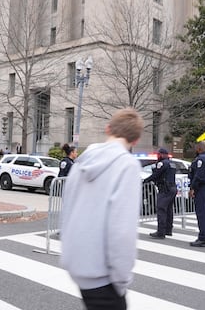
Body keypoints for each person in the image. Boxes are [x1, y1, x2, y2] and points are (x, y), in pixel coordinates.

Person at [61, 108, 144, 310]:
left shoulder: (82, 161)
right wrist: (123, 278)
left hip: (79, 264)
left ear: (108, 129)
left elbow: (68, 208)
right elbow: (122, 230)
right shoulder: (127, 166)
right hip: (103, 273)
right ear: (135, 140)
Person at [143, 148, 177, 239]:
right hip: (172, 188)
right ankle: (168, 230)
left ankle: (161, 232)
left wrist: (145, 181)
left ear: (162, 154)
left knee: (161, 209)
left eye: (158, 154)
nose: (158, 156)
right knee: (169, 210)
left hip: (165, 189)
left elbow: (156, 175)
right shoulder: (172, 163)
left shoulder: (162, 163)